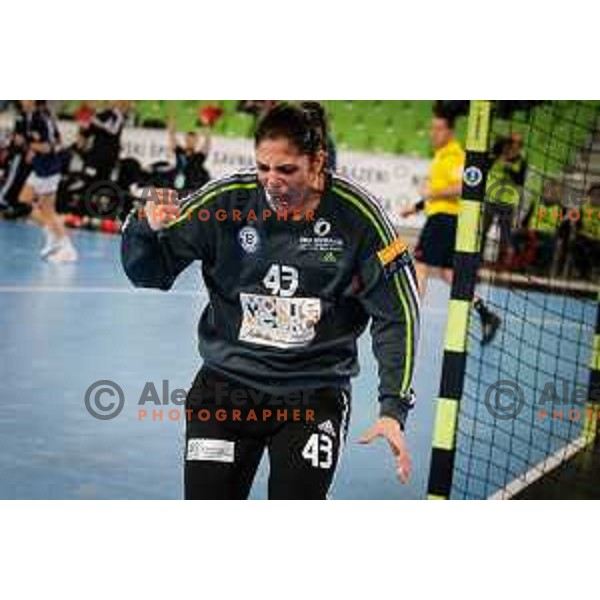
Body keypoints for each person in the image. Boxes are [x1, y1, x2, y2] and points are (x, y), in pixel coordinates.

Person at [121, 102, 420, 500]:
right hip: (226, 389)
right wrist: (143, 229)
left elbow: (397, 314)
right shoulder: (226, 201)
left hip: (312, 395)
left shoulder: (360, 218)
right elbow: (151, 274)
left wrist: (392, 408)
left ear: (318, 161)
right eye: (263, 168)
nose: (272, 182)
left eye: (286, 170)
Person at [400, 109, 501, 345]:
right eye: (432, 128)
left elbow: (461, 187)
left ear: (450, 131)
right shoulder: (441, 155)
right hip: (443, 218)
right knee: (448, 274)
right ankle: (485, 313)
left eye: (438, 129)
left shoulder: (455, 155)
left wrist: (430, 193)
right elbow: (439, 193)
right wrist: (415, 207)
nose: (433, 133)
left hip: (444, 220)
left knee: (420, 267)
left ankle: (409, 322)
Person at [17, 101, 77, 262]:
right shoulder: (28, 117)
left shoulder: (42, 118)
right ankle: (52, 234)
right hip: (39, 168)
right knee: (24, 201)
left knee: (48, 211)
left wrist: (30, 145)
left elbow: (51, 146)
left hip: (48, 170)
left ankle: (67, 248)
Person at [167, 121, 211, 194]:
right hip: (176, 187)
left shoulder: (199, 156)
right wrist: (171, 126)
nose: (190, 142)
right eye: (188, 139)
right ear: (185, 139)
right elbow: (172, 137)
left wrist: (207, 130)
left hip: (191, 190)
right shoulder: (180, 152)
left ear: (196, 142)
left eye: (192, 140)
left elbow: (207, 144)